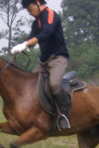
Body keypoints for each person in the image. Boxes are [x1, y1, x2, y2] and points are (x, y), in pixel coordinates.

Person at [11, 0, 71, 130]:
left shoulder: (50, 14)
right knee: (29, 85)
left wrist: (25, 44)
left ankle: (64, 115)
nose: (28, 11)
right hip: (43, 61)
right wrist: (21, 46)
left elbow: (46, 33)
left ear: (37, 2)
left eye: (29, 7)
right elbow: (31, 39)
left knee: (54, 84)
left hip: (58, 58)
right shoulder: (35, 22)